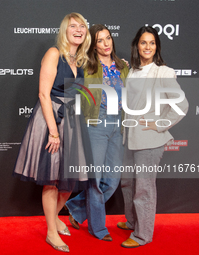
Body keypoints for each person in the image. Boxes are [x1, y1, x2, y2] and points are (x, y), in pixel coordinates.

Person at [13, 13, 91, 253]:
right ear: (65, 30)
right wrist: (53, 132)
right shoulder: (54, 53)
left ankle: (55, 217)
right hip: (51, 120)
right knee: (52, 180)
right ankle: (50, 232)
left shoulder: (81, 60)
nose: (78, 30)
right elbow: (44, 94)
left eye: (82, 27)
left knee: (68, 182)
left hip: (72, 121)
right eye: (73, 26)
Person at [118, 26, 189, 248]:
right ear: (136, 46)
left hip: (149, 140)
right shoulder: (132, 71)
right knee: (127, 183)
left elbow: (182, 105)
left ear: (156, 46)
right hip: (128, 137)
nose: (147, 47)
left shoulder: (163, 72)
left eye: (152, 43)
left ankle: (143, 235)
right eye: (143, 42)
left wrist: (160, 124)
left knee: (144, 188)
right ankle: (132, 222)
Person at [64, 24, 129, 241]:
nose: (106, 43)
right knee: (96, 179)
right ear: (93, 44)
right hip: (96, 124)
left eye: (108, 38)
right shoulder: (88, 66)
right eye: (100, 40)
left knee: (111, 181)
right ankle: (98, 228)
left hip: (117, 124)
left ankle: (75, 207)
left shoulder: (123, 67)